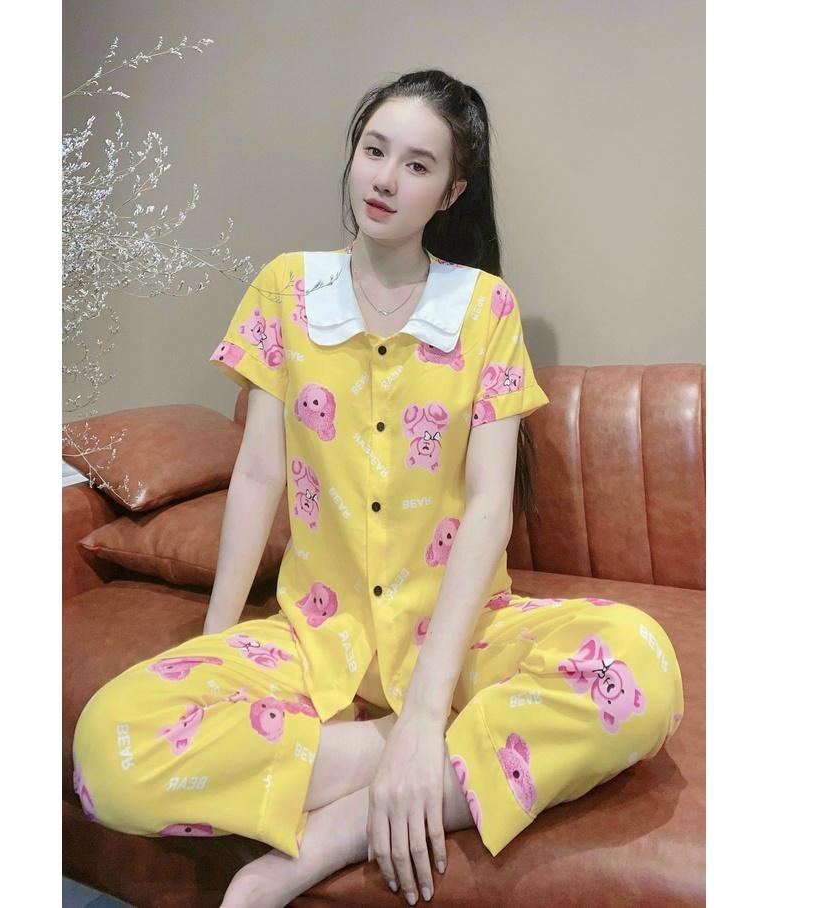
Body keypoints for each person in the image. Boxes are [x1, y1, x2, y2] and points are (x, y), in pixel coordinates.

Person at [71, 69, 685, 908]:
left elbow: (491, 507)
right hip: (314, 634)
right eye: (374, 150)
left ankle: (340, 831)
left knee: (641, 667)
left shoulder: (485, 309)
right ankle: (390, 754)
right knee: (109, 751)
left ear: (452, 192)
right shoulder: (286, 290)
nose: (386, 178)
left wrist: (430, 708)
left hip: (460, 636)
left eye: (418, 165)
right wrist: (211, 644)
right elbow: (258, 473)